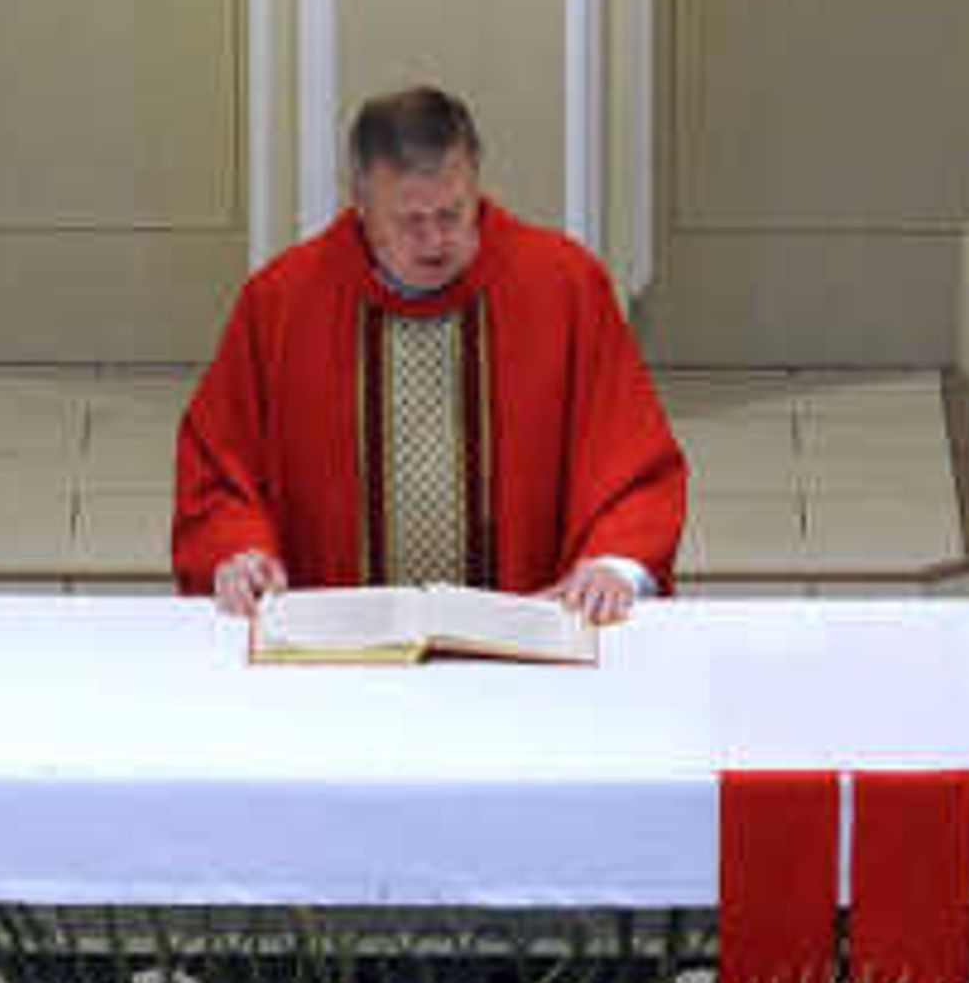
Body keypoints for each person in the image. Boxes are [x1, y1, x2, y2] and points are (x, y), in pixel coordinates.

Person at [173, 86, 687, 618]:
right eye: (410, 221)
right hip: (338, 659)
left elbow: (634, 462)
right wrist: (239, 554)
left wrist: (612, 564)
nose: (435, 241)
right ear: (361, 204)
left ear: (475, 185)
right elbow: (220, 466)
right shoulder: (283, 302)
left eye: (451, 215)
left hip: (527, 645)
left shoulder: (564, 287)